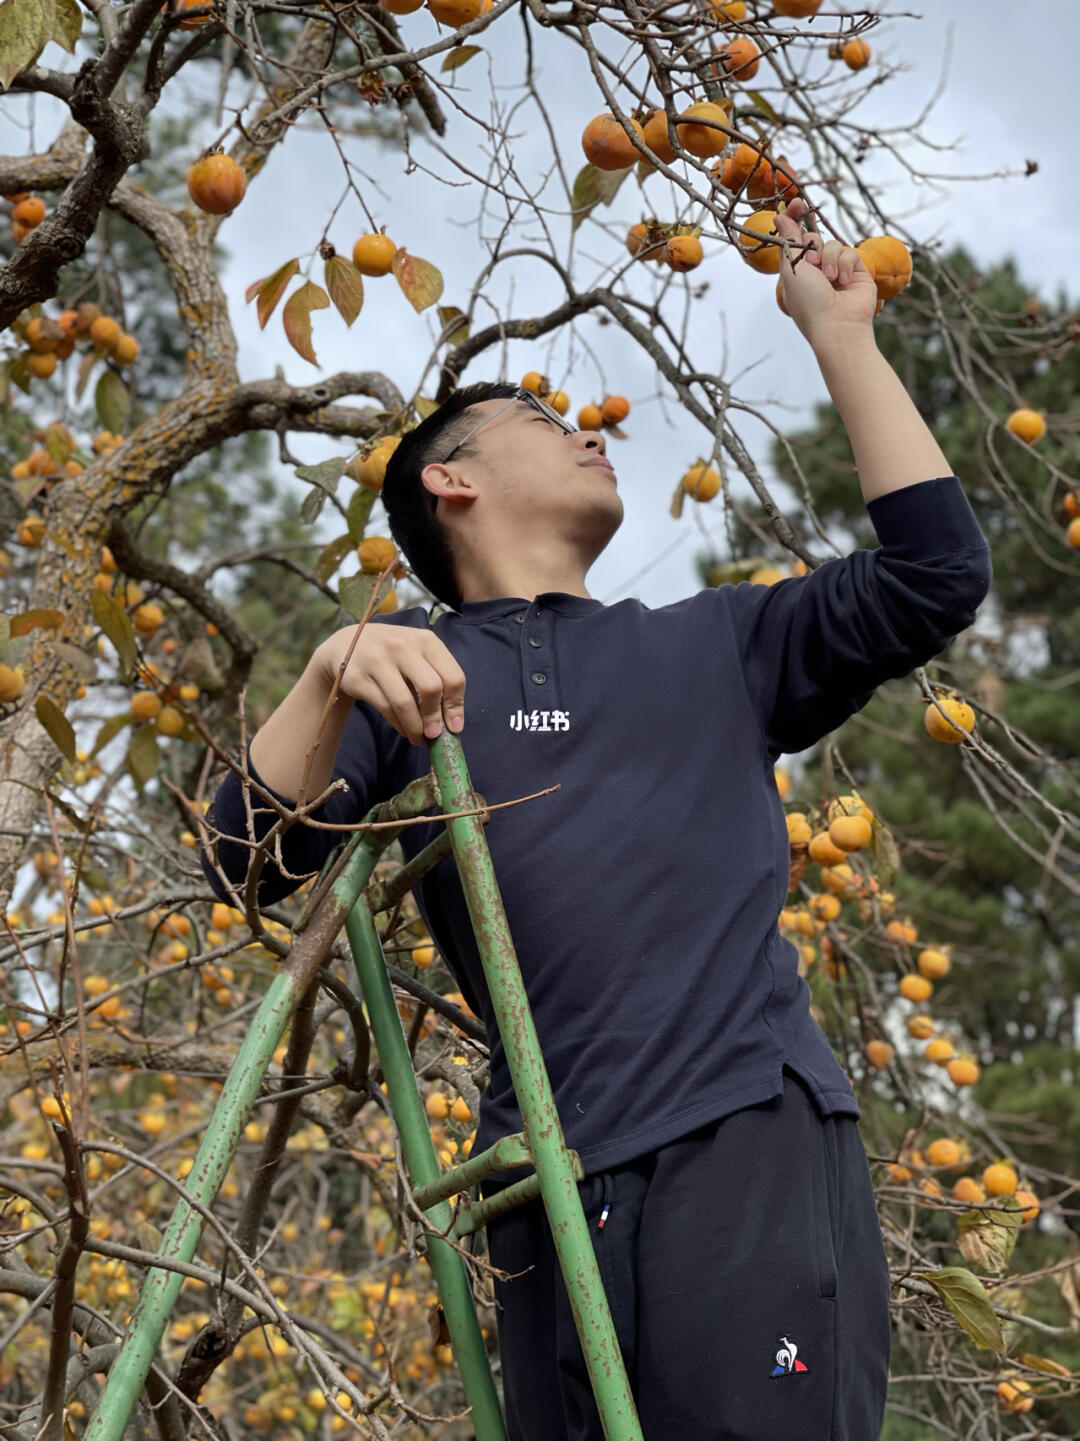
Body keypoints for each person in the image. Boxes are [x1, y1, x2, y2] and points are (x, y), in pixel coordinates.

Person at [199, 196, 992, 1441]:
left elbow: (936, 574)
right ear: (449, 478)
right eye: (539, 419)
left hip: (737, 1134)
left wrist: (843, 336)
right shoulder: (406, 672)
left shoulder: (718, 644)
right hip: (542, 1185)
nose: (584, 432)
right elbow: (246, 859)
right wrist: (325, 670)